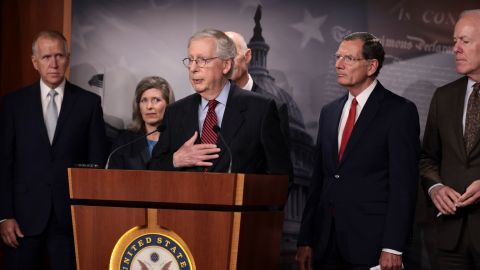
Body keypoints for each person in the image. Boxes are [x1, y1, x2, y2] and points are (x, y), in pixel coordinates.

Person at [296, 32, 420, 270]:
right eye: (338, 57)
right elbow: (318, 181)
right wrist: (306, 239)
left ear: (372, 66)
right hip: (325, 243)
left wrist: (393, 247)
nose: (338, 64)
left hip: (371, 245)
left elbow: (403, 186)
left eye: (348, 59)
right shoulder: (329, 112)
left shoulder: (399, 112)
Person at [0, 30, 107, 269]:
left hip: (69, 220)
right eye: (47, 56)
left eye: (59, 55)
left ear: (68, 58)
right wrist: (5, 215)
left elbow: (96, 163)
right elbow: (4, 164)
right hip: (22, 221)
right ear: (34, 61)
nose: (54, 63)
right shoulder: (13, 104)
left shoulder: (88, 104)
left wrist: (88, 216)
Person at [149, 28, 291, 175]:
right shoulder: (175, 112)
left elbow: (280, 177)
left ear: (226, 65)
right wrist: (176, 160)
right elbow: (153, 168)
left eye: (202, 60)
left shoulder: (261, 109)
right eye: (190, 60)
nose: (192, 68)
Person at [420, 9, 480, 269]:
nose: (455, 48)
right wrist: (435, 188)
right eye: (454, 41)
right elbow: (427, 158)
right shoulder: (442, 97)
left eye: (464, 41)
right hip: (449, 239)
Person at [224, 31, 290, 146]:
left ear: (248, 56)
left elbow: (278, 162)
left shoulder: (275, 107)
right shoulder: (207, 105)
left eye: (233, 54)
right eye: (221, 57)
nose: (228, 63)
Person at [109, 76, 175, 170]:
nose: (149, 106)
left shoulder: (177, 140)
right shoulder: (124, 141)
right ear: (138, 106)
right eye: (144, 100)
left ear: (169, 104)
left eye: (156, 100)